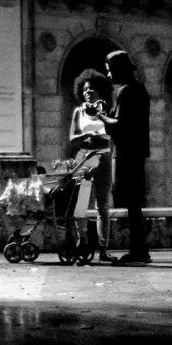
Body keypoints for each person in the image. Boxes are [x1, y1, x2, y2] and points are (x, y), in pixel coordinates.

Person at [104, 50, 152, 265]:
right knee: (134, 204)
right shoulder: (140, 89)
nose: (109, 75)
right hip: (137, 152)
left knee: (131, 202)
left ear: (118, 69)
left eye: (110, 70)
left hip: (125, 152)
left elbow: (119, 125)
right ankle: (140, 248)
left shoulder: (126, 91)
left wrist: (101, 116)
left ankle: (138, 250)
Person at [68, 68, 116, 261]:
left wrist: (103, 132)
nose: (88, 92)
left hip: (103, 157)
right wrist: (86, 135)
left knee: (102, 206)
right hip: (84, 158)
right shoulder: (78, 112)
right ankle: (83, 242)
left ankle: (104, 248)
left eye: (92, 89)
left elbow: (113, 132)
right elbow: (72, 138)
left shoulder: (106, 110)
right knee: (80, 203)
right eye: (85, 89)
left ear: (100, 91)